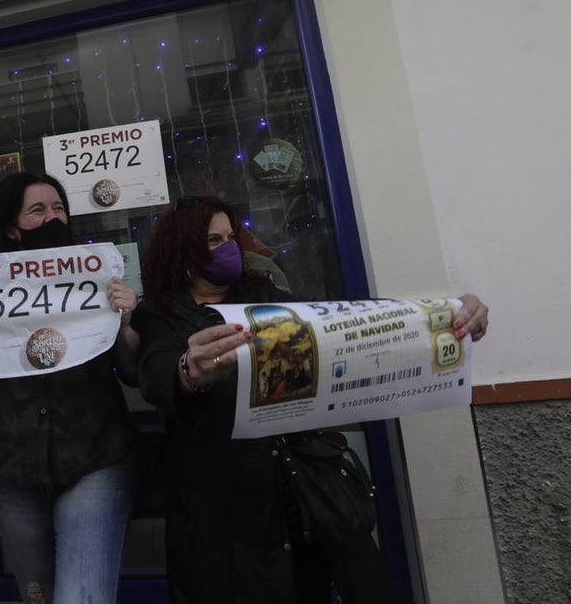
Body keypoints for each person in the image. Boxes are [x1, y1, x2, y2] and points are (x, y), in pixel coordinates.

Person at [130, 195, 490, 604]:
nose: (228, 247)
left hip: (298, 492)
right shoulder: (160, 314)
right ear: (184, 252)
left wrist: (450, 316)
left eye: (231, 236)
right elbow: (156, 371)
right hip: (221, 506)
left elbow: (344, 328)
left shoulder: (264, 293)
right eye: (214, 240)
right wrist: (188, 371)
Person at [0, 171, 140, 604]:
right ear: (12, 228)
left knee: (81, 597)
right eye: (38, 210)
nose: (53, 217)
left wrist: (124, 323)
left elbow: (132, 369)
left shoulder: (100, 279)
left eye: (59, 208)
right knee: (39, 596)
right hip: (13, 471)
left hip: (94, 458)